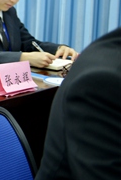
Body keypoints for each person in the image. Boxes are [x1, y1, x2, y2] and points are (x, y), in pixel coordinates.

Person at [36, 27, 121, 180]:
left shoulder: (9, 16)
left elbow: (30, 42)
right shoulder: (103, 82)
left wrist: (58, 48)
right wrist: (21, 56)